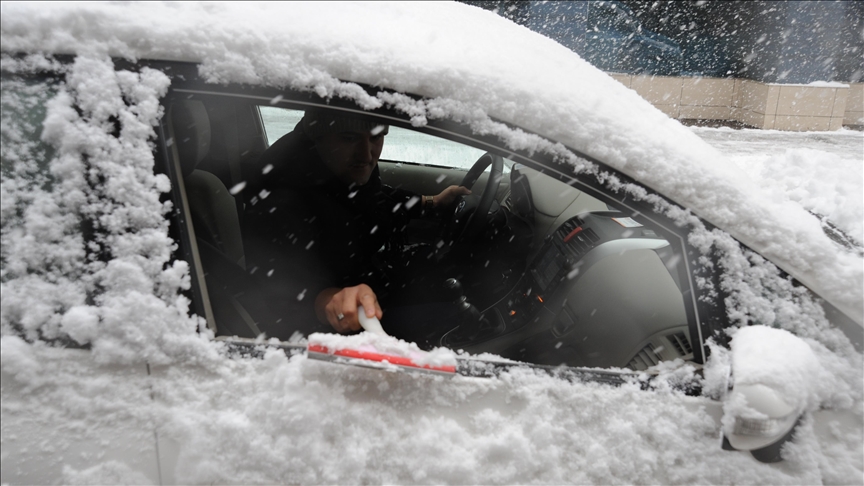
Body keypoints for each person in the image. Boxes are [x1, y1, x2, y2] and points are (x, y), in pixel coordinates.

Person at [242, 109, 470, 340]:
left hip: (370, 280)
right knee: (457, 317)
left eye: (376, 137)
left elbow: (375, 198)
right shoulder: (282, 194)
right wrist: (328, 300)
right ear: (317, 135)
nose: (366, 154)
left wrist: (430, 202)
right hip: (337, 326)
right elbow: (277, 281)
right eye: (348, 138)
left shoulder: (336, 165)